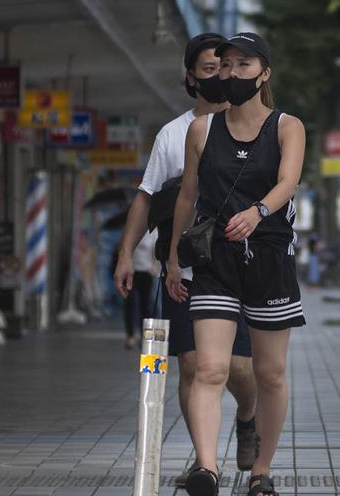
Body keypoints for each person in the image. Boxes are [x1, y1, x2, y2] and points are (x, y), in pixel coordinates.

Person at [113, 32, 258, 487]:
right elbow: (145, 197)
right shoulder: (174, 135)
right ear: (191, 78)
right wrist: (124, 256)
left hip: (242, 268)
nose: (221, 77)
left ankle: (248, 416)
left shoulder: (258, 129)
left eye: (228, 68)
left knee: (238, 369)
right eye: (210, 70)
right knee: (193, 365)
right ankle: (205, 463)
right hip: (185, 269)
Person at [166, 32, 306, 496]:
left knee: (269, 373)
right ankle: (206, 468)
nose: (232, 73)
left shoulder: (288, 126)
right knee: (208, 368)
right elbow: (188, 196)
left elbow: (288, 181)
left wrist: (259, 211)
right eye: (226, 65)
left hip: (269, 257)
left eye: (244, 65)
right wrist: (172, 258)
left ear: (264, 73)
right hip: (215, 262)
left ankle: (261, 472)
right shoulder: (201, 130)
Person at [122, 228, 158, 349]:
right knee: (130, 303)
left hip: (147, 271)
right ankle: (130, 335)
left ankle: (146, 337)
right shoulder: (131, 230)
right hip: (131, 271)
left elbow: (155, 251)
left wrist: (154, 266)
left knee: (147, 305)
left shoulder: (154, 231)